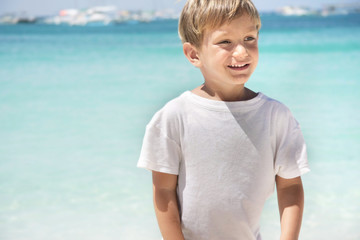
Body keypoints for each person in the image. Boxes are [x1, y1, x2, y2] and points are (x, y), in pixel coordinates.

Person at [137, 0, 310, 239]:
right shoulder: (174, 116)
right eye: (225, 42)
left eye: (249, 38)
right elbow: (164, 192)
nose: (242, 51)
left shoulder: (275, 116)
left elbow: (290, 186)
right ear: (194, 54)